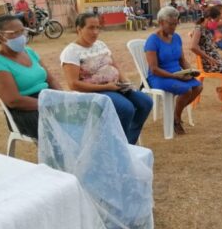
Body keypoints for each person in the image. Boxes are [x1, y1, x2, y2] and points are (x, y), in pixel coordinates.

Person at [61, 13, 153, 144]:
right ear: (79, 29)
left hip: (114, 86)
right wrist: (106, 87)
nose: (95, 32)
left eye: (98, 28)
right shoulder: (71, 52)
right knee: (126, 108)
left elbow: (115, 66)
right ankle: (117, 145)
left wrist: (126, 82)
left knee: (145, 102)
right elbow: (73, 84)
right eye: (91, 28)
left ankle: (128, 142)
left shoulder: (101, 45)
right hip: (93, 92)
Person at [0, 15, 62, 139]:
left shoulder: (29, 52)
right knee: (63, 126)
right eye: (16, 33)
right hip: (26, 110)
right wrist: (48, 104)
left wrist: (63, 97)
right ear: (0, 36)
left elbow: (50, 79)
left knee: (85, 115)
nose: (22, 36)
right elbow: (13, 101)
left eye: (22, 31)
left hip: (47, 99)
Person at [144, 7, 203, 135]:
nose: (174, 27)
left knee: (198, 87)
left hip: (177, 74)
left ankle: (175, 116)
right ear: (160, 22)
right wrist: (176, 77)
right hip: (159, 77)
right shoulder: (152, 40)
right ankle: (176, 120)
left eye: (175, 24)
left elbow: (182, 59)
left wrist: (189, 71)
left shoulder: (176, 37)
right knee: (186, 90)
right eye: (170, 24)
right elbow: (154, 69)